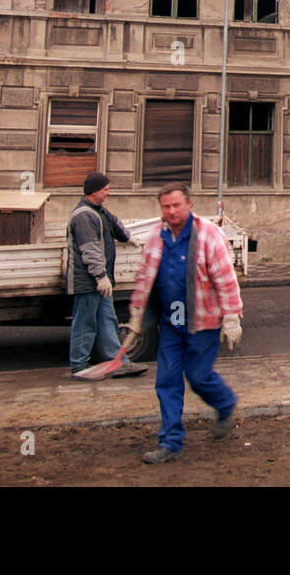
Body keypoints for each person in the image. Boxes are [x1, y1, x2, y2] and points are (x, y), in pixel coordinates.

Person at [126, 182, 243, 464]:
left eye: (176, 205)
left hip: (203, 321)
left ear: (189, 204)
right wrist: (136, 313)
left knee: (199, 376)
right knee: (166, 381)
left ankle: (225, 405)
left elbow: (225, 278)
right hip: (171, 324)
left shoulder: (208, 235)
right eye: (166, 206)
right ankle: (170, 442)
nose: (171, 211)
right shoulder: (157, 236)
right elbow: (145, 275)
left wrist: (231, 317)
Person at [66, 172, 147, 379]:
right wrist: (100, 276)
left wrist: (128, 237)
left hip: (101, 281)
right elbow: (90, 250)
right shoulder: (84, 215)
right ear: (94, 191)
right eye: (106, 190)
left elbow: (113, 222)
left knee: (108, 320)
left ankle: (119, 361)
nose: (108, 193)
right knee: (85, 322)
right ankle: (79, 366)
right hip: (88, 281)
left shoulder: (97, 210)